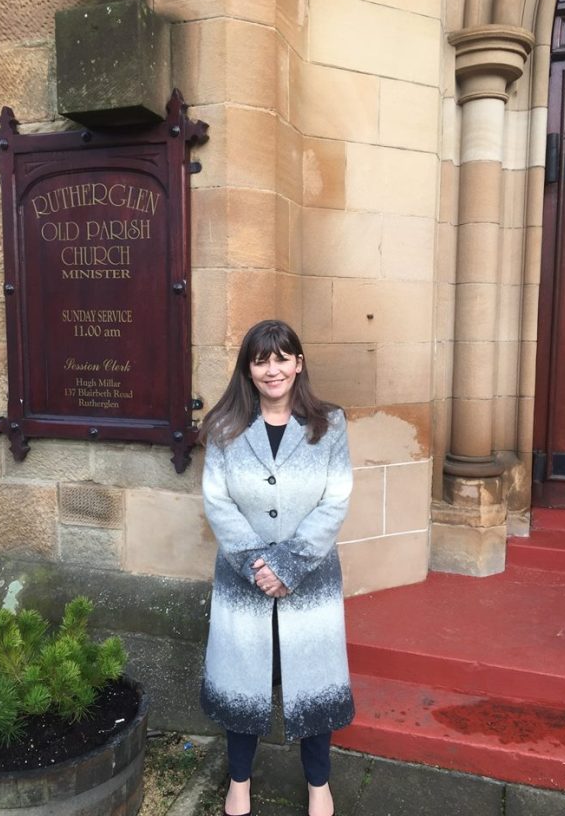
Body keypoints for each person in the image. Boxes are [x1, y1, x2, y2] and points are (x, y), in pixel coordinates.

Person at [199, 319, 354, 816]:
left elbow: (336, 499)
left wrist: (289, 563)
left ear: (298, 363)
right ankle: (239, 783)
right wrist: (256, 564)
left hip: (309, 580)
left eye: (282, 358)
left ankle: (318, 786)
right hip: (243, 581)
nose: (273, 369)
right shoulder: (225, 427)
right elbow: (216, 501)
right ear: (249, 368)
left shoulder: (329, 423)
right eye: (262, 359)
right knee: (244, 682)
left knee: (312, 684)